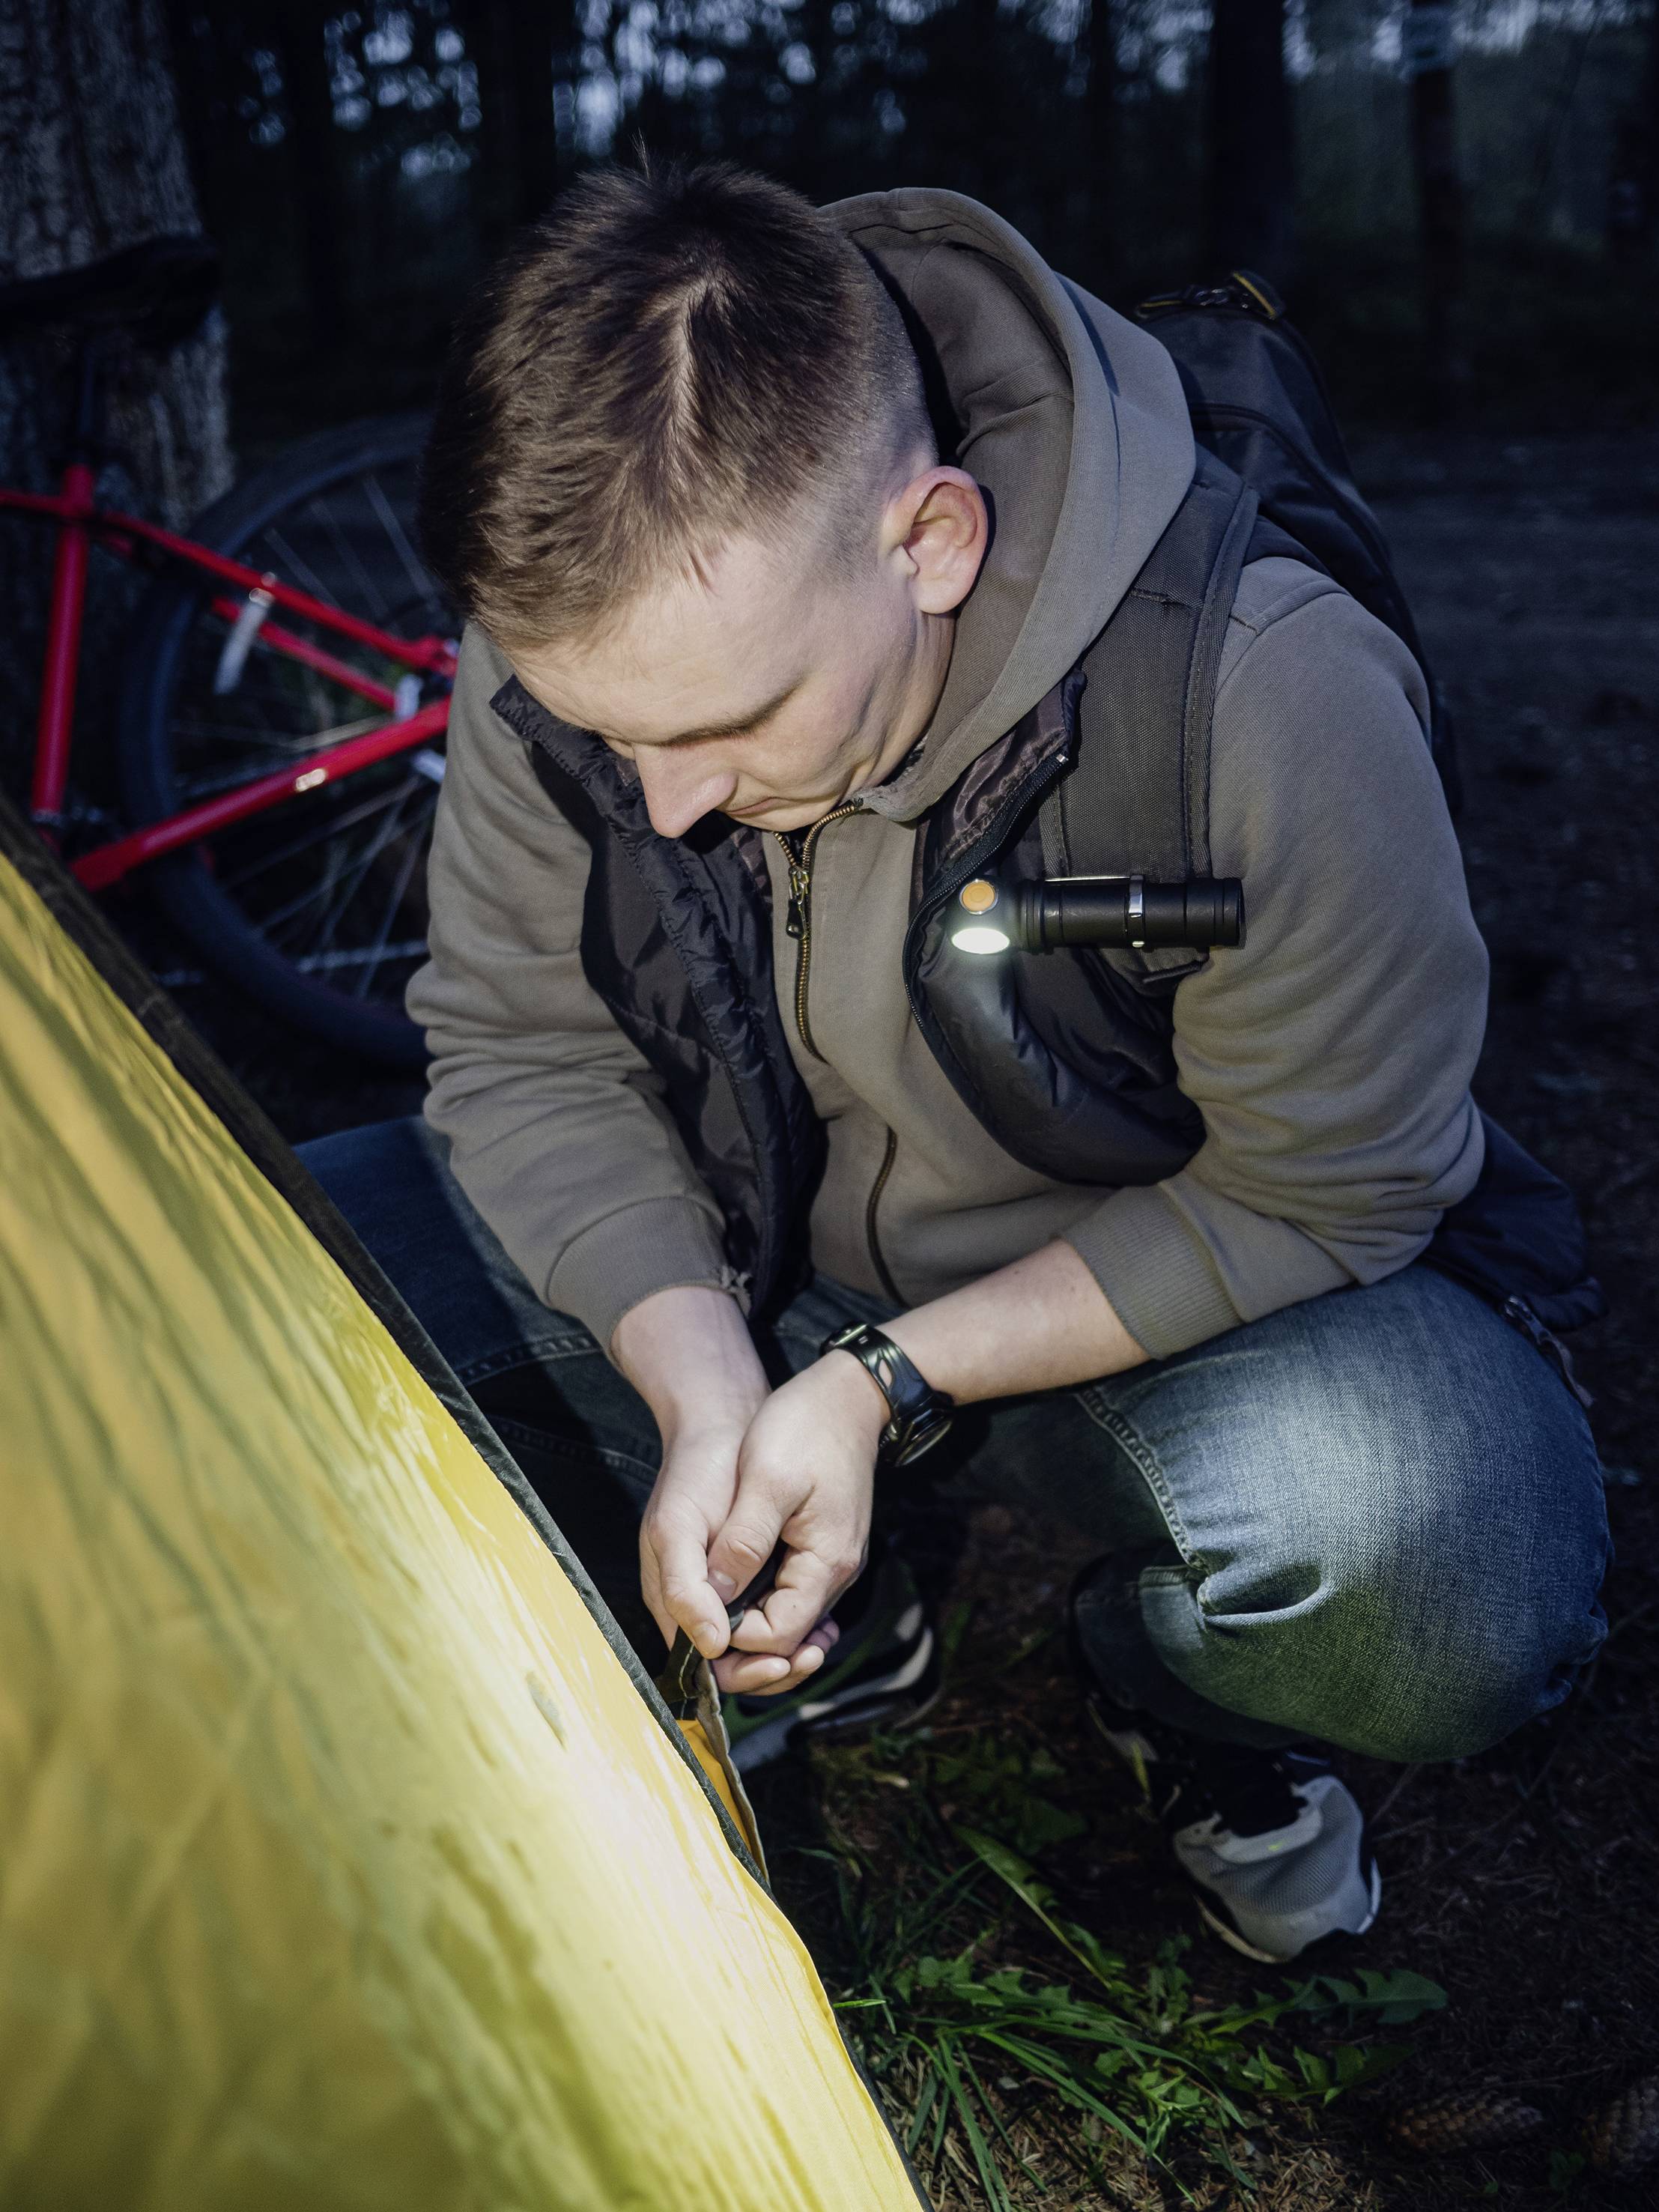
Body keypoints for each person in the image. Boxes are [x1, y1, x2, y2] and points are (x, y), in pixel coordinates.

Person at [302, 160, 1610, 1966]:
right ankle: (849, 1591)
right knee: (276, 1279)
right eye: (616, 734)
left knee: (1450, 1573)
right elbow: (521, 1052)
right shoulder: (596, 615)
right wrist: (700, 1391)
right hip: (747, 1262)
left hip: (1148, 1320)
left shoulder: (1265, 685)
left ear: (929, 540)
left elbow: (1330, 1178)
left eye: (727, 726)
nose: (663, 801)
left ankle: (1179, 1690)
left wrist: (873, 1389)